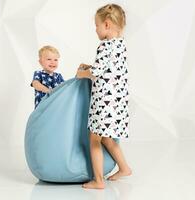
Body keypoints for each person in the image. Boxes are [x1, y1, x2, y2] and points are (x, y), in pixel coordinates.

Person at [76, 3, 132, 189]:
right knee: (107, 138)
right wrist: (90, 66)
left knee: (94, 139)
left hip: (104, 103)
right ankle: (124, 168)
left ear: (107, 24)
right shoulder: (121, 44)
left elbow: (97, 72)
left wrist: (82, 73)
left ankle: (98, 181)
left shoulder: (104, 45)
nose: (96, 30)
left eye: (97, 26)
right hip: (118, 102)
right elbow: (108, 69)